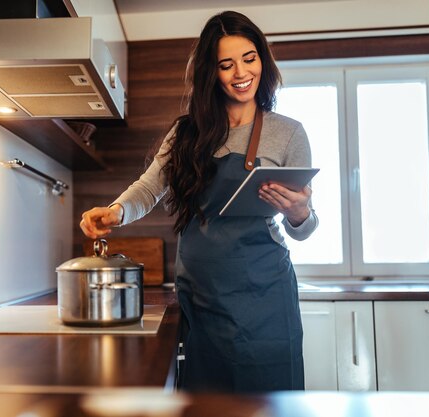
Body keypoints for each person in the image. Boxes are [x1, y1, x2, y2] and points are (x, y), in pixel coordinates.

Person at [79, 10, 318, 393]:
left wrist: (299, 213)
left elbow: (305, 226)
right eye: (226, 65)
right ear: (211, 73)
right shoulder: (186, 131)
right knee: (207, 399)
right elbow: (149, 187)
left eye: (249, 58)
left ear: (263, 61)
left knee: (271, 399)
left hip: (265, 295)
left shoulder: (288, 134)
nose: (241, 72)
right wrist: (115, 211)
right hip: (202, 294)